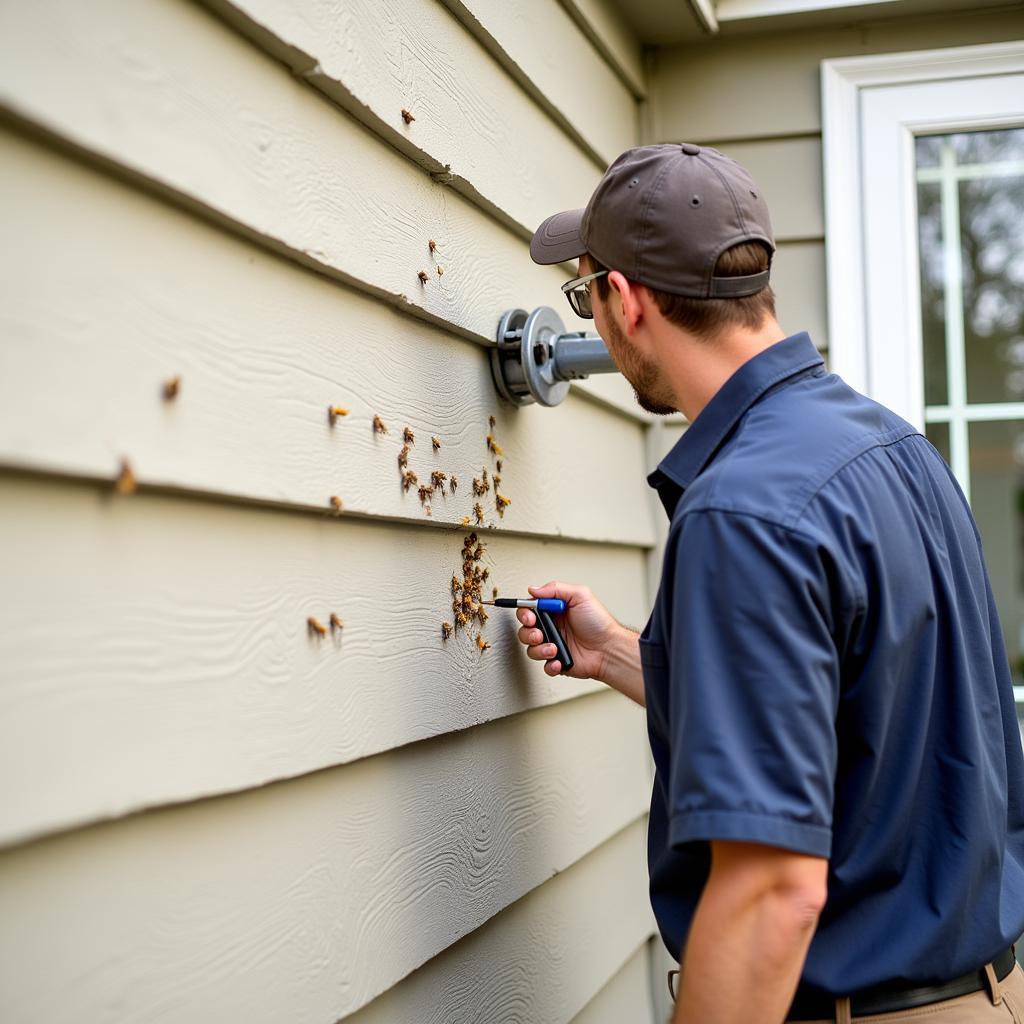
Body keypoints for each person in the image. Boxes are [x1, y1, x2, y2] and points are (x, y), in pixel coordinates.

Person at [516, 143, 1024, 1024]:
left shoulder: (741, 511)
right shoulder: (896, 449)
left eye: (586, 293)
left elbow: (770, 897)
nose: (592, 320)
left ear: (625, 302)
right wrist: (620, 656)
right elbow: (864, 715)